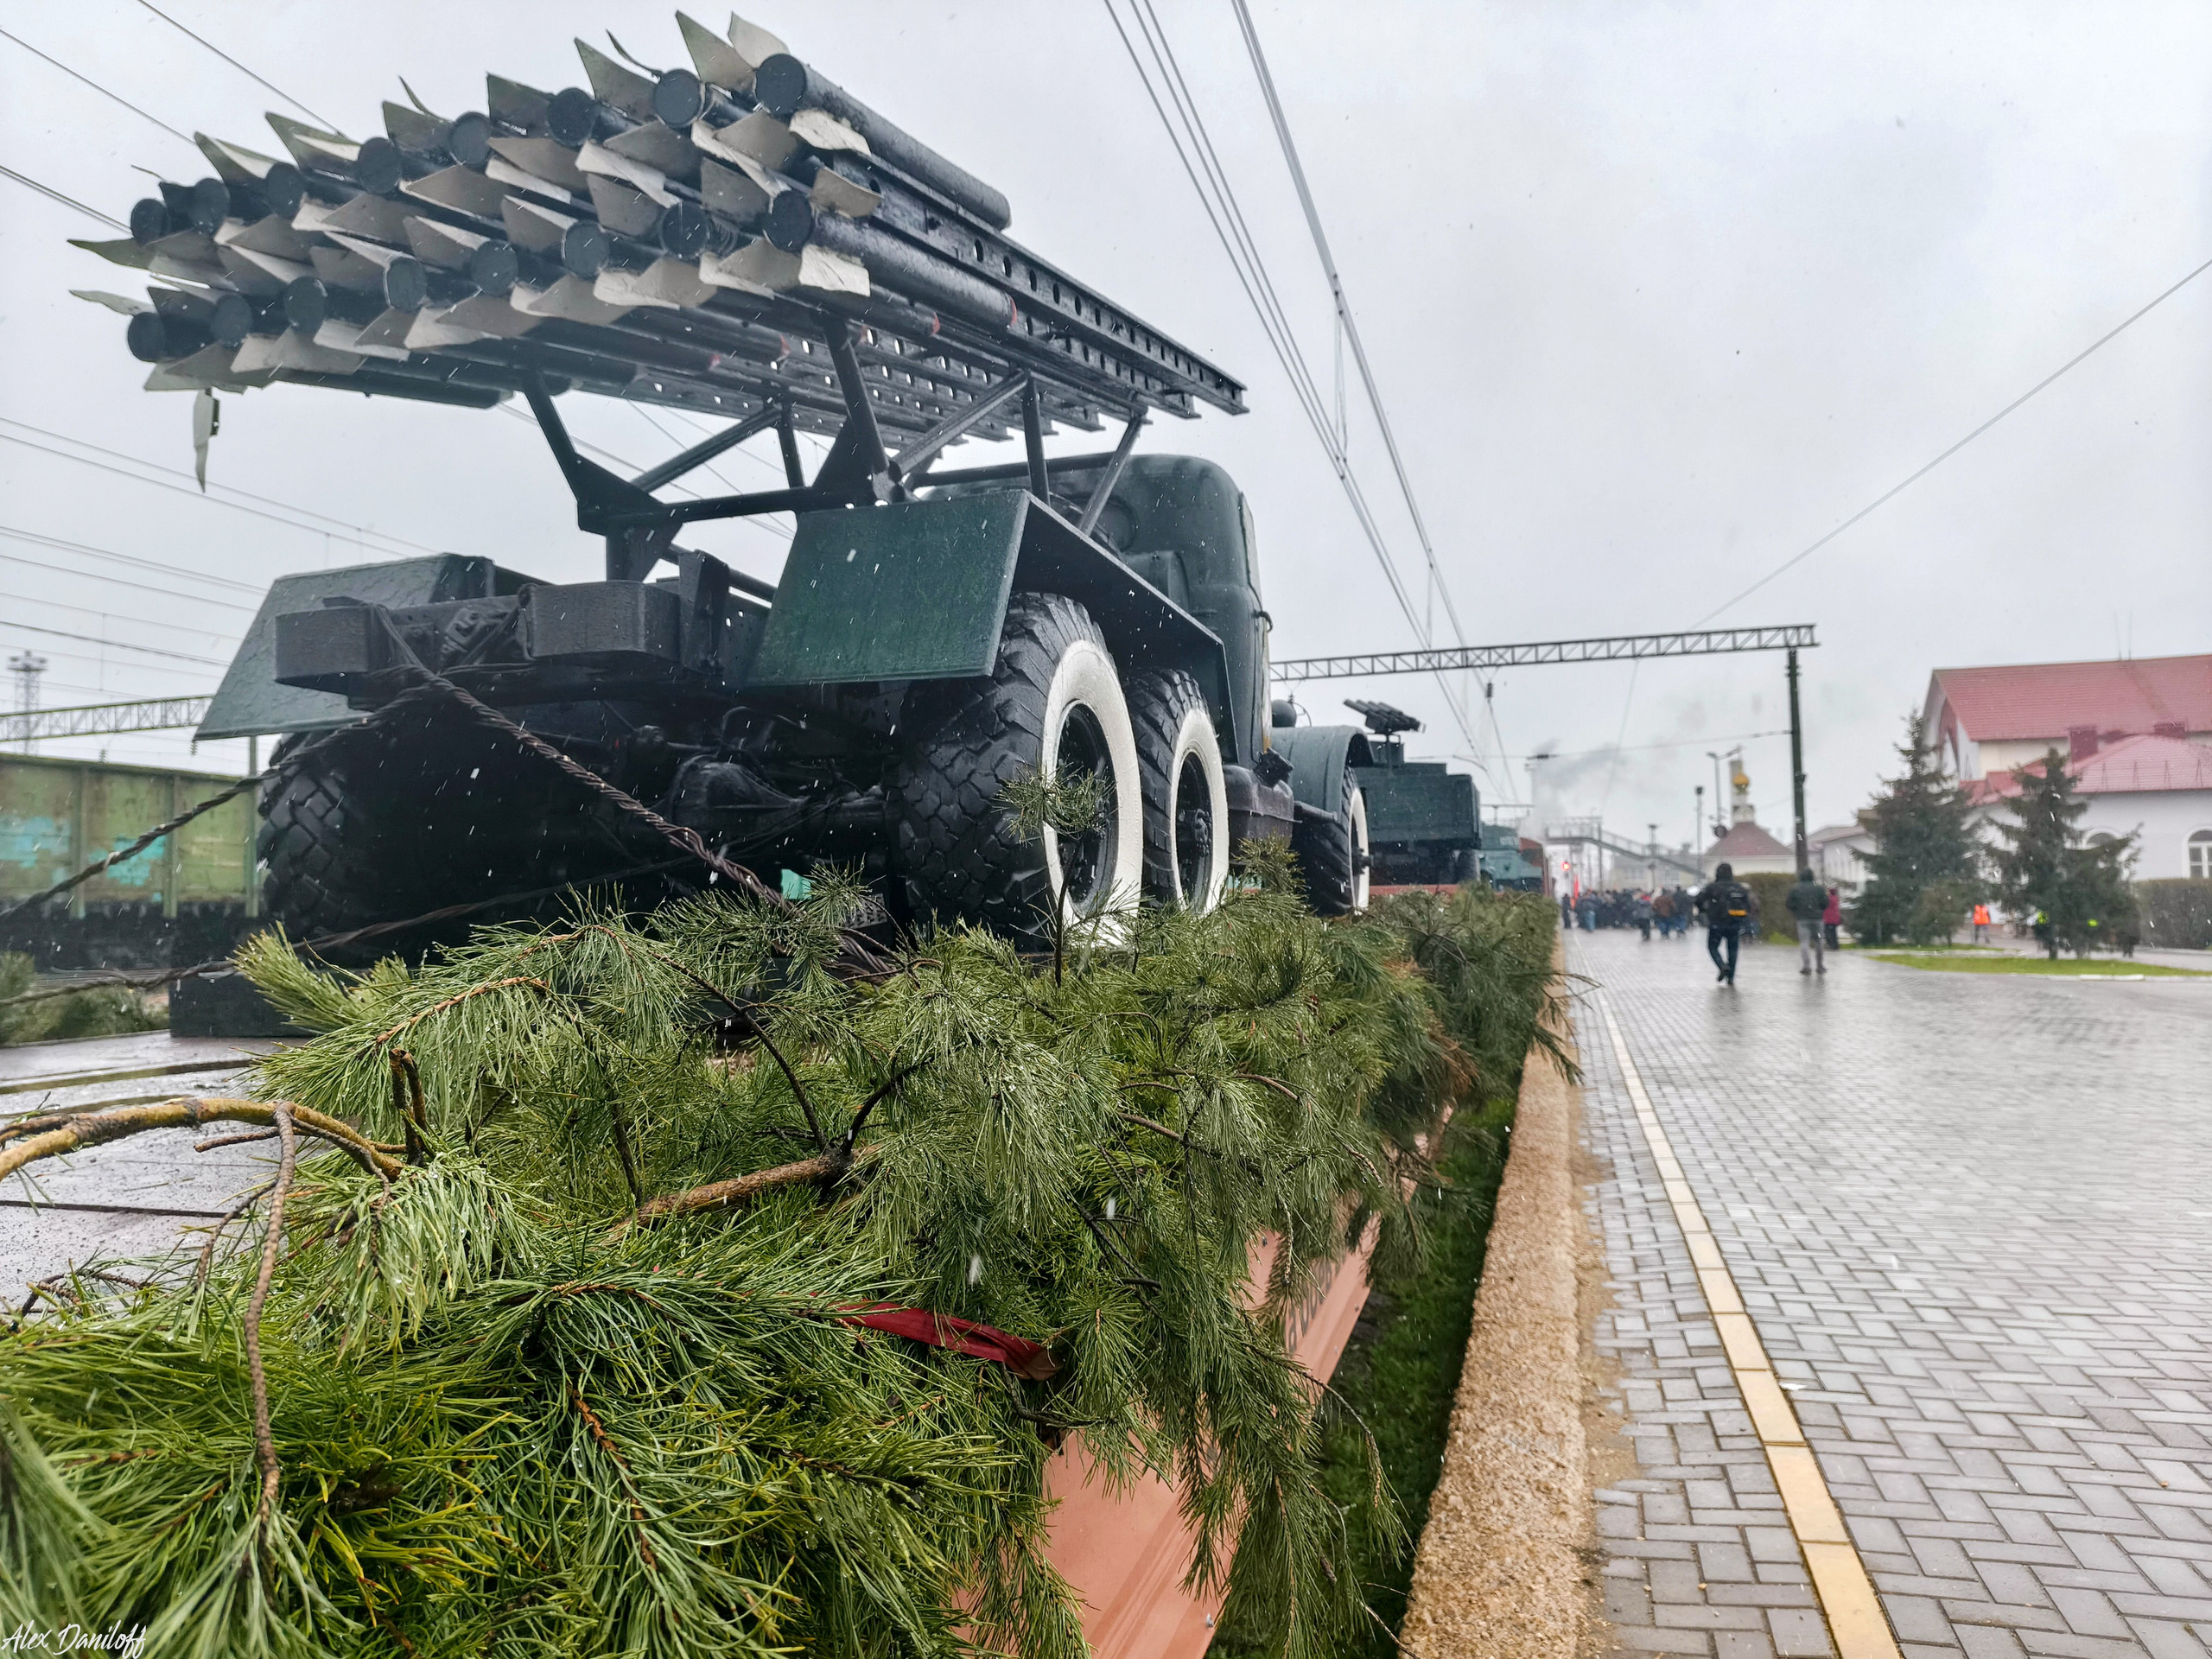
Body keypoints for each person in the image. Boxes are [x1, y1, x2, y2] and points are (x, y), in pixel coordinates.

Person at [1694, 862, 1753, 985]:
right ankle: (1731, 977)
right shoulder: (1738, 887)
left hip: (1717, 921)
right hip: (1735, 921)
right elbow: (1747, 905)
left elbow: (1698, 900)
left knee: (1712, 947)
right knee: (1733, 949)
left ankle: (1722, 965)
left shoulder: (1713, 887)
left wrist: (1704, 911)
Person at [1786, 867, 1827, 976]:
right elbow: (1825, 903)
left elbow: (1789, 904)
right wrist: (1818, 910)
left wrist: (1797, 911)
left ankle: (1807, 966)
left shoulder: (1795, 889)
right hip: (1817, 919)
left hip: (1802, 919)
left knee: (1804, 942)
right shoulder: (1819, 889)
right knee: (1819, 942)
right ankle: (1820, 966)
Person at [1822, 886, 1841, 950]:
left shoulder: (1829, 899)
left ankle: (1831, 944)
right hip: (1835, 918)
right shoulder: (1836, 899)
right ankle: (1835, 945)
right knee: (1834, 932)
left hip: (1828, 918)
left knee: (1827, 932)